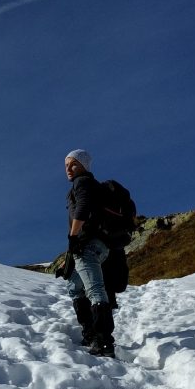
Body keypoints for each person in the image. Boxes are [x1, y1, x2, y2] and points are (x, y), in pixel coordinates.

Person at [64, 149, 116, 358]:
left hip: (87, 244)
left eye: (73, 164)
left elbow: (83, 207)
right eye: (66, 166)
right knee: (75, 287)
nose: (69, 169)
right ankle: (91, 333)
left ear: (84, 165)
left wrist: (73, 236)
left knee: (94, 289)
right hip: (98, 246)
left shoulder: (82, 182)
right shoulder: (90, 185)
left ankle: (104, 341)